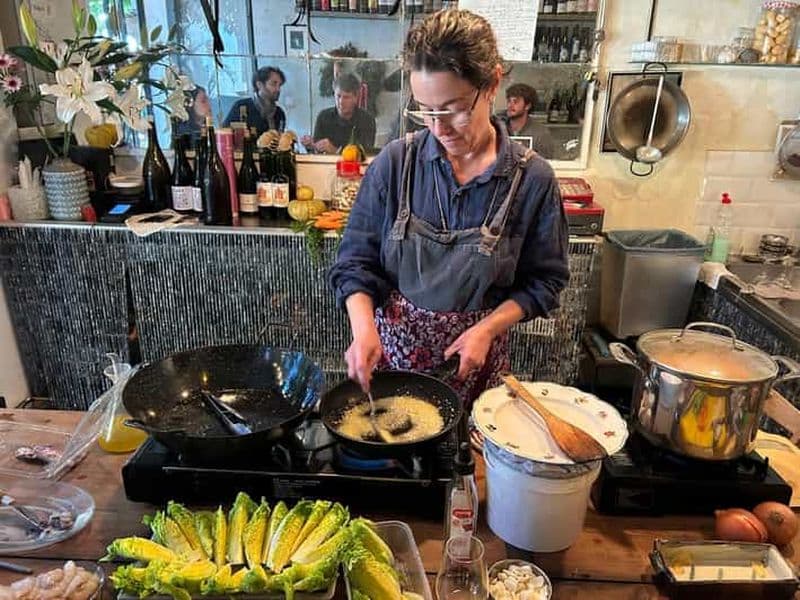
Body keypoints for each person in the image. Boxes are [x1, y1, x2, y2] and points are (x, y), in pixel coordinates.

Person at [327, 10, 569, 406]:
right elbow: (354, 262)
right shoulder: (394, 164)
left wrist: (489, 328)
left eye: (454, 108)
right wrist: (363, 328)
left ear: (492, 84)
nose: (438, 128)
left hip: (475, 365)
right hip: (393, 364)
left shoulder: (531, 180)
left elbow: (545, 282)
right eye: (425, 109)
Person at [301, 73, 376, 154]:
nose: (341, 102)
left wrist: (335, 151)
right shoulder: (323, 117)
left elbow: (365, 155)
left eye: (346, 97)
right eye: (338, 96)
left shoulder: (367, 120)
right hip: (325, 165)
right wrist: (311, 146)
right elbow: (316, 154)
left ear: (356, 98)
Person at [223, 66, 286, 135]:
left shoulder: (279, 113)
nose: (278, 89)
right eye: (273, 84)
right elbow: (225, 135)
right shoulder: (242, 108)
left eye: (279, 85)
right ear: (259, 85)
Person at [500, 83, 556, 159]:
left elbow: (546, 165)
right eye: (509, 101)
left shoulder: (541, 133)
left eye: (515, 102)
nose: (510, 105)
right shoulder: (498, 128)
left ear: (527, 106)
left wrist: (534, 159)